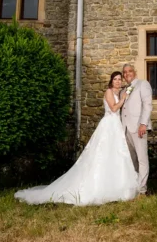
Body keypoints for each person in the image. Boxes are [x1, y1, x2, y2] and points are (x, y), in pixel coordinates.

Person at [14, 71, 139, 206]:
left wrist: (126, 94)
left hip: (117, 126)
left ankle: (117, 186)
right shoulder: (109, 92)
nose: (118, 81)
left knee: (116, 155)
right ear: (111, 81)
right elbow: (114, 108)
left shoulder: (119, 92)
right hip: (108, 125)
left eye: (120, 79)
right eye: (115, 79)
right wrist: (123, 98)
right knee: (102, 154)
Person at [120, 63, 153, 195]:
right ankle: (134, 186)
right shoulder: (123, 90)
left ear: (135, 72)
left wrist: (143, 124)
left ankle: (142, 189)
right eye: (124, 72)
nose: (127, 74)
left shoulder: (142, 84)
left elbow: (147, 105)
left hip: (139, 127)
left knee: (142, 159)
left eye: (130, 71)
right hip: (126, 129)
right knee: (131, 160)